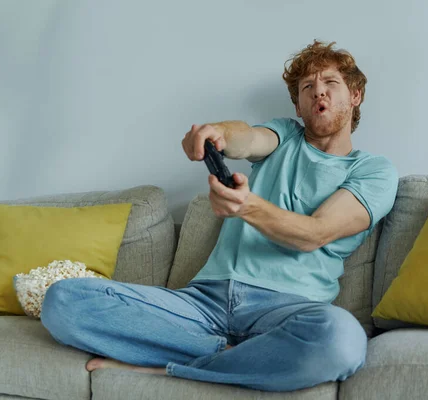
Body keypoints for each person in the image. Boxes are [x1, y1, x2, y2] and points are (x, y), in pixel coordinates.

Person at [40, 40, 399, 392]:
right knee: (63, 301)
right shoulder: (285, 135)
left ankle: (171, 367)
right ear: (299, 106)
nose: (318, 92)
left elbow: (315, 233)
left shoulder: (373, 171)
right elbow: (247, 138)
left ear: (355, 95)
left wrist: (247, 206)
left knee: (342, 341)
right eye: (308, 88)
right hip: (203, 304)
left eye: (330, 84)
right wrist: (218, 134)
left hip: (288, 313)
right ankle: (233, 358)